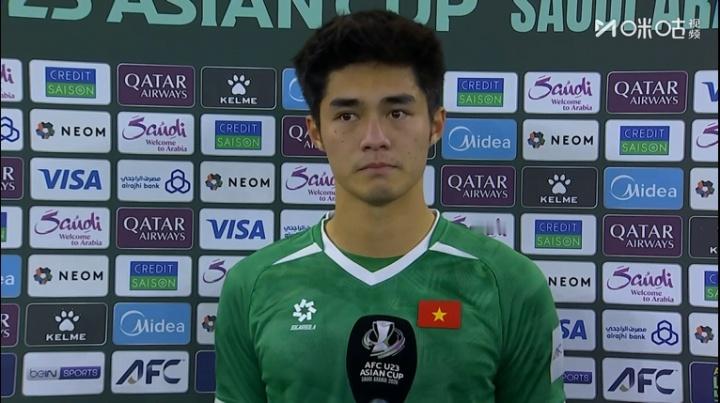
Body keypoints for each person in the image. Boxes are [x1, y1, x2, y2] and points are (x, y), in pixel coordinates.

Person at [215, 9, 565, 403]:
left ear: (435, 125)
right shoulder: (253, 285)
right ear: (315, 132)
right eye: (347, 115)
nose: (374, 137)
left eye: (397, 112)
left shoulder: (510, 285)